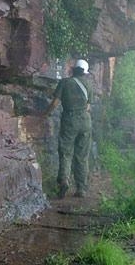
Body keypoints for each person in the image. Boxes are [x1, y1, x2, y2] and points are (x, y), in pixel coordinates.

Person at [43, 59, 93, 198]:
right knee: (82, 156)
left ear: (74, 69)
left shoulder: (65, 82)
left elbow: (55, 102)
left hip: (70, 120)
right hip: (85, 121)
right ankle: (81, 189)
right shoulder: (88, 85)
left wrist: (45, 114)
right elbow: (88, 106)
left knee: (66, 152)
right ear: (84, 72)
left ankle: (64, 180)